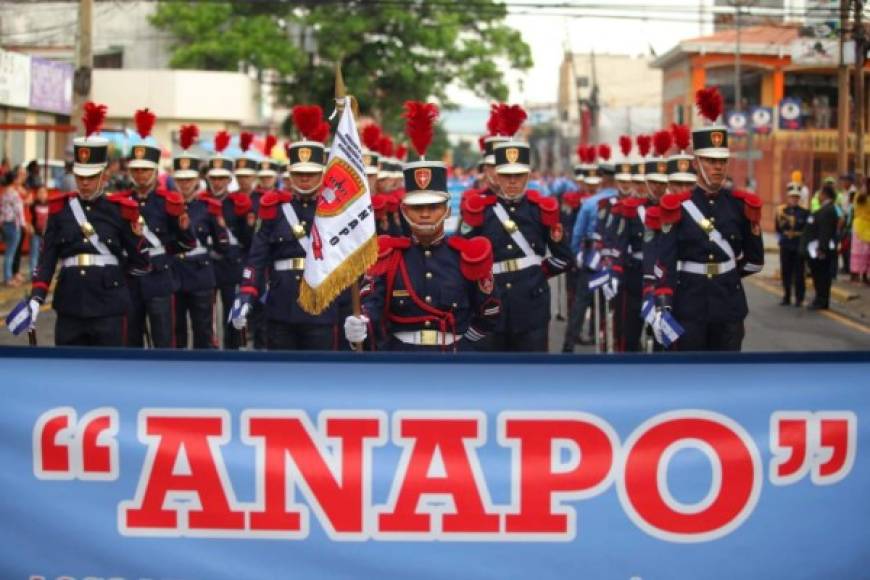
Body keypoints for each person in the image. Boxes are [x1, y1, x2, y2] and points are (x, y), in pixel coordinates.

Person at [344, 104, 501, 352]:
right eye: (417, 207)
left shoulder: (465, 256)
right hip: (402, 361)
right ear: (404, 211)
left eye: (433, 206)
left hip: (453, 359)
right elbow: (371, 307)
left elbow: (489, 311)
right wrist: (359, 327)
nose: (425, 213)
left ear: (447, 210)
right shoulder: (388, 257)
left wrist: (465, 347)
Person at [7, 102, 151, 346]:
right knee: (67, 370)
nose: (84, 183)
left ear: (103, 176)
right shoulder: (60, 209)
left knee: (108, 372)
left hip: (109, 304)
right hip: (70, 303)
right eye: (80, 176)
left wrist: (135, 242)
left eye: (91, 177)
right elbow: (47, 259)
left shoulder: (120, 210)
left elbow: (140, 264)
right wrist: (36, 299)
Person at [654, 88, 764, 351]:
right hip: (688, 305)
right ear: (696, 163)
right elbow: (666, 262)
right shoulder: (677, 207)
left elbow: (755, 260)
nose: (718, 167)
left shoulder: (740, 205)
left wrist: (727, 275)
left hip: (728, 307)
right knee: (690, 380)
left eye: (722, 161)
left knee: (728, 379)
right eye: (711, 160)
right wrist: (664, 305)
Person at [231, 135, 342, 350]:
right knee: (279, 376)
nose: (305, 179)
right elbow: (257, 258)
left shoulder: (335, 211)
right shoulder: (274, 209)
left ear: (322, 174)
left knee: (320, 375)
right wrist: (246, 293)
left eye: (311, 173)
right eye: (299, 173)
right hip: (281, 305)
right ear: (290, 174)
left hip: (322, 306)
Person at [462, 138, 572, 351]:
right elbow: (465, 257)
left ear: (528, 176)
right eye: (506, 175)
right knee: (492, 375)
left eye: (518, 175)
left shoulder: (540, 210)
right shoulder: (480, 211)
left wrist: (538, 273)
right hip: (491, 302)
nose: (512, 181)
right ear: (496, 176)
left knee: (532, 374)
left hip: (532, 304)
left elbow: (564, 258)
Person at [118, 109, 197, 348]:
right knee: (130, 339)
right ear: (130, 172)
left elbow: (186, 243)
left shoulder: (167, 201)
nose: (141, 175)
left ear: (154, 171)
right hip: (131, 278)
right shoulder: (120, 202)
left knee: (164, 339)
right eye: (136, 170)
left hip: (160, 277)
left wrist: (184, 229)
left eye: (145, 170)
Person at [170, 124, 230, 349]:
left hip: (200, 273)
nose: (185, 184)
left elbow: (222, 243)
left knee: (203, 328)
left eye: (189, 180)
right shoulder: (167, 206)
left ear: (196, 180)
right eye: (181, 180)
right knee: (176, 329)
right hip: (175, 271)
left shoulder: (208, 207)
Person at [205, 131, 254, 350]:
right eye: (213, 178)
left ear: (228, 179)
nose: (217, 182)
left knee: (233, 312)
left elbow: (246, 239)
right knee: (208, 314)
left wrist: (247, 222)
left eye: (221, 178)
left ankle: (235, 352)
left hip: (233, 264)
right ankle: (212, 351)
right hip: (208, 263)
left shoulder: (238, 203)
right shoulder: (201, 202)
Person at [804, 183, 839, 310]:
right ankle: (821, 299)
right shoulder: (827, 209)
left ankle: (821, 300)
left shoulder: (827, 210)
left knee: (821, 276)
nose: (818, 196)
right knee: (820, 275)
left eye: (820, 193)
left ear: (824, 195)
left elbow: (825, 232)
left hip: (821, 250)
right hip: (820, 248)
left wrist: (821, 249)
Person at [775, 184, 809, 307]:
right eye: (792, 197)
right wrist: (781, 240)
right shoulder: (781, 211)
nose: (794, 199)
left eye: (796, 197)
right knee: (786, 272)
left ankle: (799, 298)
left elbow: (806, 230)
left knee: (799, 273)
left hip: (798, 244)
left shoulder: (805, 212)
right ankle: (787, 296)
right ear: (788, 197)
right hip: (786, 245)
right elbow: (778, 228)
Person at [2, 165, 27, 286]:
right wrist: (23, 225)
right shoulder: (14, 194)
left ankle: (10, 276)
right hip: (13, 225)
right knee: (11, 253)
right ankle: (8, 278)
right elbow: (19, 211)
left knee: (9, 252)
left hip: (6, 224)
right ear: (14, 180)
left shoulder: (5, 193)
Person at [28, 186, 50, 280]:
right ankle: (33, 274)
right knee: (34, 254)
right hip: (36, 234)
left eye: (43, 192)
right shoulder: (33, 205)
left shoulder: (50, 205)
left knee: (44, 255)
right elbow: (29, 217)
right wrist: (30, 226)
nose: (42, 195)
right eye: (40, 193)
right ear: (37, 194)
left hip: (46, 234)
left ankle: (43, 273)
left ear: (47, 194)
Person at [850, 184, 870, 285]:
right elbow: (857, 203)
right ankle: (855, 275)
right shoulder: (860, 196)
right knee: (858, 252)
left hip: (868, 227)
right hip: (859, 227)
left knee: (867, 253)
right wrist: (863, 191)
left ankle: (865, 275)